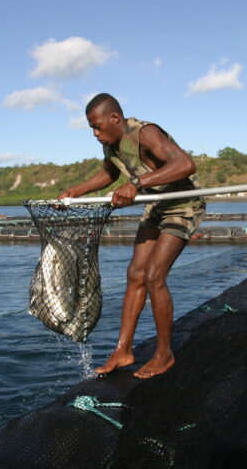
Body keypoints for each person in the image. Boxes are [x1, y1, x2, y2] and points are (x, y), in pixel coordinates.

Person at [58, 93, 206, 379]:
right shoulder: (112, 145)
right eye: (91, 128)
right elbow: (108, 175)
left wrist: (137, 183)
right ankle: (122, 350)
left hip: (183, 204)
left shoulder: (145, 133)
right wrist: (74, 192)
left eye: (98, 126)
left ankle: (165, 354)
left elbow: (185, 164)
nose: (95, 133)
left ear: (115, 118)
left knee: (154, 276)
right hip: (157, 204)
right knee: (135, 273)